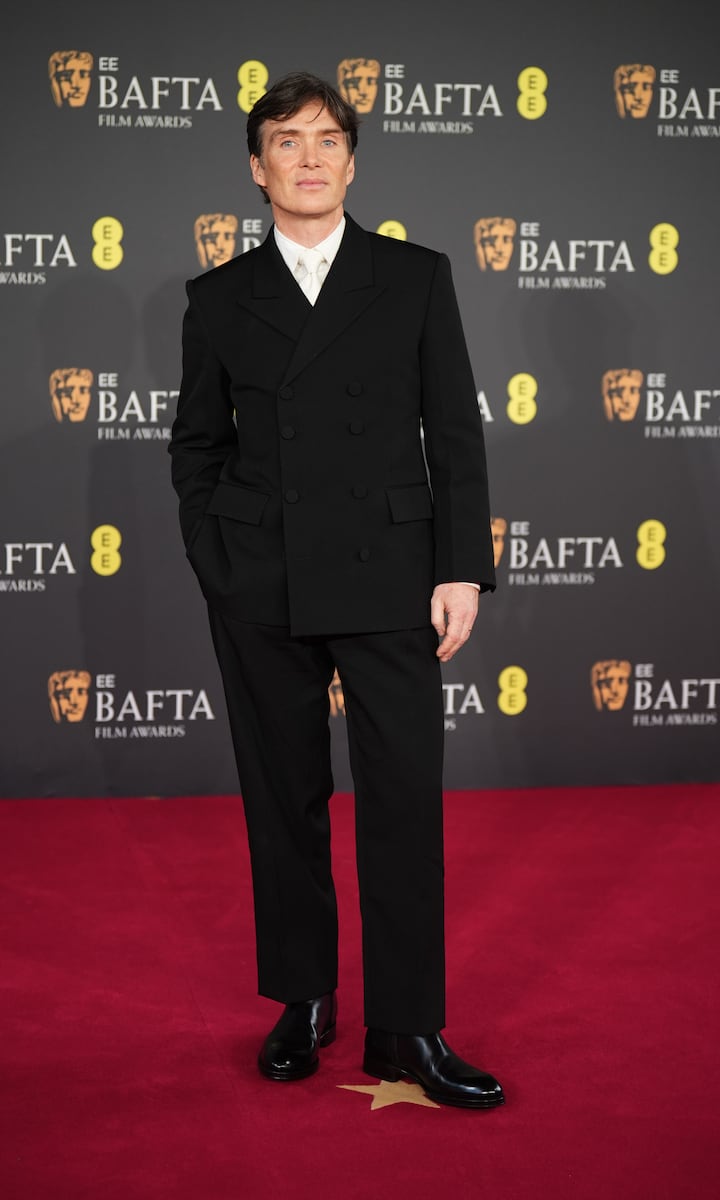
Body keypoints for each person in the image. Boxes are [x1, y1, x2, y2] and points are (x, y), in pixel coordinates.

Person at [169, 71, 503, 1109]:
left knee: (402, 803)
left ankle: (407, 1026)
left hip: (391, 573)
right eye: (284, 140)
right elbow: (196, 447)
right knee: (283, 801)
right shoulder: (219, 297)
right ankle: (303, 1001)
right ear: (255, 168)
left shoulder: (413, 275)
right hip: (260, 579)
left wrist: (457, 567)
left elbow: (453, 431)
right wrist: (219, 560)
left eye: (326, 139)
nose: (307, 156)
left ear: (351, 163)